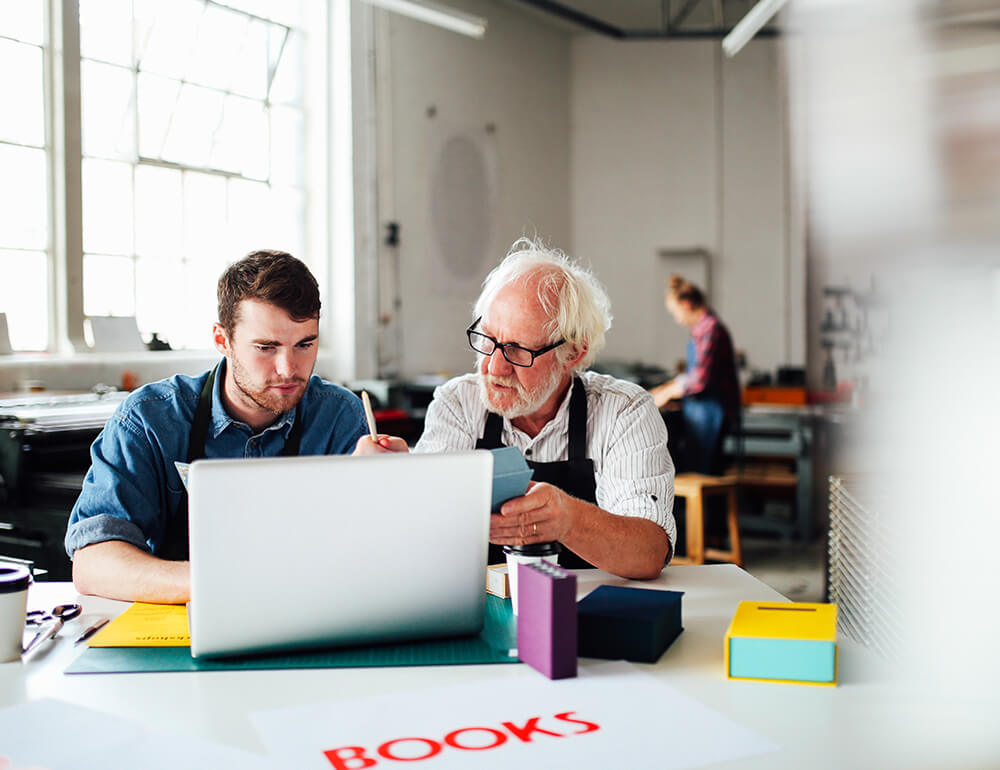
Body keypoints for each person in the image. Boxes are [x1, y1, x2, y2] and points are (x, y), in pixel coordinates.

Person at [65, 250, 405, 604]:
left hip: (307, 616)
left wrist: (382, 491)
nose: (288, 368)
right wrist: (223, 584)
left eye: (305, 344)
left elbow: (375, 558)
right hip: (184, 627)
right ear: (221, 340)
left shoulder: (340, 416)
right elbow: (93, 562)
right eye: (266, 347)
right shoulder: (149, 420)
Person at [414, 238, 675, 579]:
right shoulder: (458, 406)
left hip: (590, 610)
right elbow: (423, 537)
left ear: (574, 353)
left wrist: (569, 519)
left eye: (519, 350)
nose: (494, 368)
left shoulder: (624, 411)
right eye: (487, 339)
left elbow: (649, 553)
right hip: (480, 607)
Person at [649, 275, 740, 475]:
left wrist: (668, 392)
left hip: (710, 414)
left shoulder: (710, 329)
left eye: (675, 312)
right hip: (702, 411)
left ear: (687, 304)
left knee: (702, 474)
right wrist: (667, 389)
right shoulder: (702, 329)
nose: (677, 319)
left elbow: (699, 380)